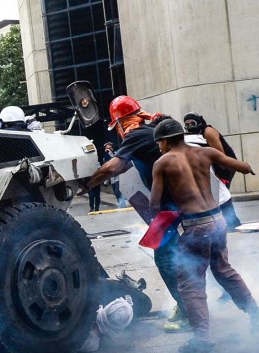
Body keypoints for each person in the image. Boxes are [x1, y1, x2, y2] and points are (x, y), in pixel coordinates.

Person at [149, 118, 259, 353]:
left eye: (159, 143)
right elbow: (239, 165)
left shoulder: (162, 163)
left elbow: (154, 204)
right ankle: (256, 314)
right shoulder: (205, 153)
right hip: (218, 220)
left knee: (191, 282)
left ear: (164, 141)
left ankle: (202, 339)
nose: (159, 147)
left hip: (195, 226)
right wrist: (247, 167)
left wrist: (165, 220)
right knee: (224, 270)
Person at [78, 95, 191, 332]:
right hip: (180, 202)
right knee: (183, 255)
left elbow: (115, 166)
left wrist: (87, 184)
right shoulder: (148, 131)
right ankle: (194, 303)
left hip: (171, 206)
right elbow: (130, 163)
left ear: (119, 122)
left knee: (166, 257)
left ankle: (188, 311)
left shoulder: (136, 135)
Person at [183, 112, 242, 231]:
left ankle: (230, 222)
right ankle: (223, 222)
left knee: (220, 193)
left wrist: (218, 174)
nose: (189, 126)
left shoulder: (208, 132)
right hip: (213, 167)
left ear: (199, 122)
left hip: (225, 167)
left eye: (192, 123)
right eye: (187, 124)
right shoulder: (193, 135)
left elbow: (220, 155)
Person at [103, 142, 127, 208]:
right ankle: (121, 204)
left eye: (109, 147)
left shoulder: (116, 153)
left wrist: (110, 152)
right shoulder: (106, 157)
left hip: (119, 176)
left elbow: (116, 160)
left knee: (117, 191)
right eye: (106, 148)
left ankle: (123, 205)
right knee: (116, 193)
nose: (107, 149)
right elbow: (107, 170)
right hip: (112, 178)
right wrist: (105, 183)